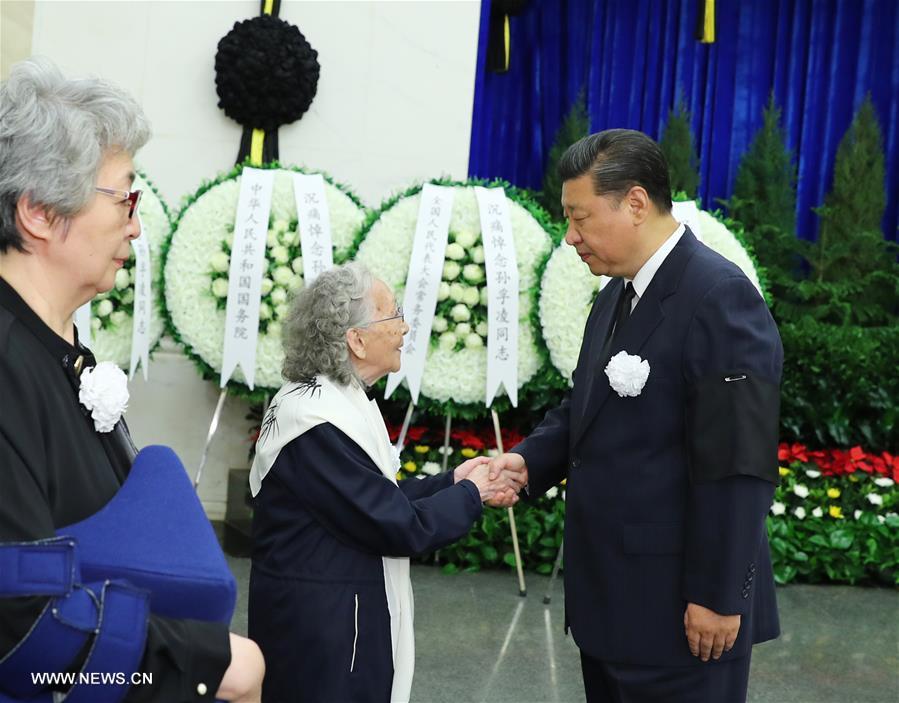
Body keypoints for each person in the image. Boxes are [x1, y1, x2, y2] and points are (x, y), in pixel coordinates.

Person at [0, 57, 263, 702]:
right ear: (37, 212)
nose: (138, 225)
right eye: (126, 198)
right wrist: (205, 664)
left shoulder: (57, 348)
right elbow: (20, 627)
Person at [489, 129, 782, 703]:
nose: (570, 237)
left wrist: (720, 596)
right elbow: (588, 404)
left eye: (580, 218)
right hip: (612, 603)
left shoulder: (718, 295)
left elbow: (736, 463)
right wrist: (527, 464)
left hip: (683, 612)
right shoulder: (615, 294)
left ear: (637, 203)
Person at [248, 262, 522, 703]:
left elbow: (377, 497)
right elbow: (397, 524)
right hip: (323, 634)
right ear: (356, 340)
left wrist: (454, 479)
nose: (405, 326)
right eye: (393, 315)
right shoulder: (315, 421)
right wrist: (474, 493)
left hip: (338, 619)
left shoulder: (338, 398)